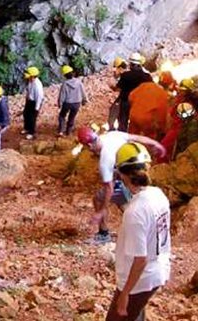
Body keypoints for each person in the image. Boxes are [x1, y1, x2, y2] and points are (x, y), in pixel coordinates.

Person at [106, 142, 171, 321]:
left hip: (139, 280)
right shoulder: (158, 195)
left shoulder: (134, 212)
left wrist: (125, 294)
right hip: (158, 270)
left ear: (122, 174)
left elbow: (140, 260)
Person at [77, 126, 165, 244]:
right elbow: (136, 137)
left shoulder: (105, 160)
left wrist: (101, 211)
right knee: (123, 202)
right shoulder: (112, 135)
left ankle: (147, 236)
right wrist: (155, 143)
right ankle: (152, 233)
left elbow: (109, 188)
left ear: (88, 146)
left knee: (119, 203)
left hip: (129, 177)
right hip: (140, 169)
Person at [114, 53, 153, 132]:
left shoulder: (125, 75)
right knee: (137, 123)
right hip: (140, 103)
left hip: (126, 102)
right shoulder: (147, 77)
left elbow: (118, 88)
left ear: (131, 64)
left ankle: (123, 135)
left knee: (123, 121)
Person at [57, 65, 88, 136]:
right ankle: (69, 132)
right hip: (77, 103)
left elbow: (62, 95)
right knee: (72, 117)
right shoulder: (79, 82)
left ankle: (61, 130)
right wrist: (84, 100)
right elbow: (83, 92)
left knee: (62, 116)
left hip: (67, 103)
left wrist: (60, 103)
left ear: (65, 75)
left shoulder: (65, 84)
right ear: (72, 73)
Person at [21, 66, 44, 140]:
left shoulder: (37, 85)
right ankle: (26, 128)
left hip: (34, 102)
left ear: (33, 76)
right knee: (26, 114)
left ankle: (31, 132)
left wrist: (36, 108)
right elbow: (28, 90)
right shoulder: (30, 81)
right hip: (29, 101)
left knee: (32, 118)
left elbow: (39, 97)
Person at [107, 58, 129, 129]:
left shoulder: (124, 76)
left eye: (116, 67)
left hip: (124, 99)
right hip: (128, 98)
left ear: (120, 67)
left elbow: (118, 89)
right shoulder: (129, 73)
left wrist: (112, 87)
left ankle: (112, 128)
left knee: (114, 112)